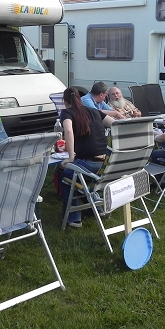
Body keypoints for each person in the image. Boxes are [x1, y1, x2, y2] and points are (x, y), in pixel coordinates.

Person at [59, 87, 114, 228]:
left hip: (89, 164)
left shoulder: (67, 112)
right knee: (77, 178)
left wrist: (71, 157)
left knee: (65, 176)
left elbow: (68, 131)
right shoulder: (94, 111)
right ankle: (96, 208)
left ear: (65, 101)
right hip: (106, 164)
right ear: (79, 98)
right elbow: (115, 125)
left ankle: (74, 218)